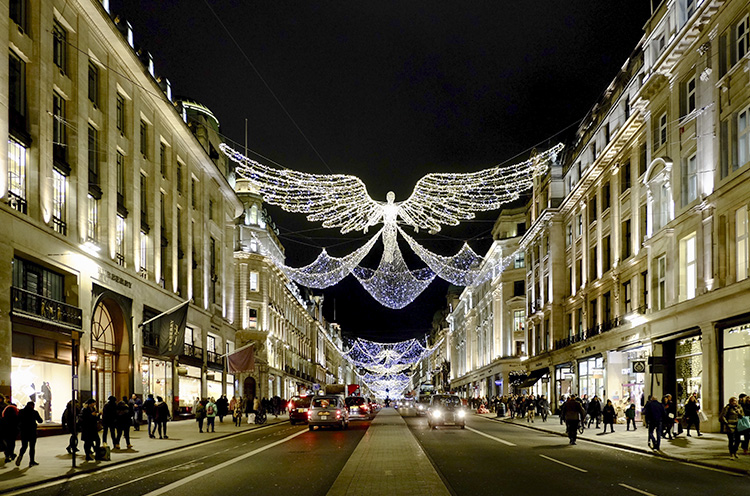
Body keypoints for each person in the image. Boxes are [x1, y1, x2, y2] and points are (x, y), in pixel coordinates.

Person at [16, 401, 42, 466]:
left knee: (24, 446)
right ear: (33, 406)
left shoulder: (21, 412)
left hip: (24, 431)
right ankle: (31, 461)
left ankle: (20, 456)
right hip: (32, 431)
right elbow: (40, 421)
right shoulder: (34, 412)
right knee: (32, 447)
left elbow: (17, 420)